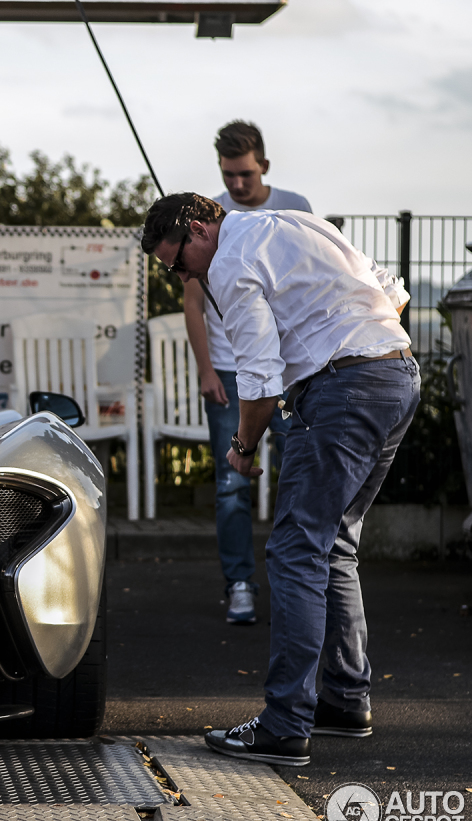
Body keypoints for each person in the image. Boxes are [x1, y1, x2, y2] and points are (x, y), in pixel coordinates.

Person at [142, 193, 417, 766]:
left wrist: (243, 449)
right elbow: (391, 289)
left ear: (198, 228)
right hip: (396, 376)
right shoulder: (295, 222)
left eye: (180, 262)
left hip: (343, 390)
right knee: (334, 543)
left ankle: (285, 725)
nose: (184, 275)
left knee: (295, 552)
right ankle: (344, 699)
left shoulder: (231, 263)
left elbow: (260, 378)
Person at [185, 121, 310, 625]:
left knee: (297, 478)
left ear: (264, 166)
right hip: (230, 373)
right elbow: (193, 302)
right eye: (228, 175)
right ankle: (239, 584)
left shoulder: (295, 206)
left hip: (291, 370)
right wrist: (205, 371)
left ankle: (294, 585)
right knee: (232, 485)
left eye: (244, 174)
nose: (236, 185)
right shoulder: (207, 215)